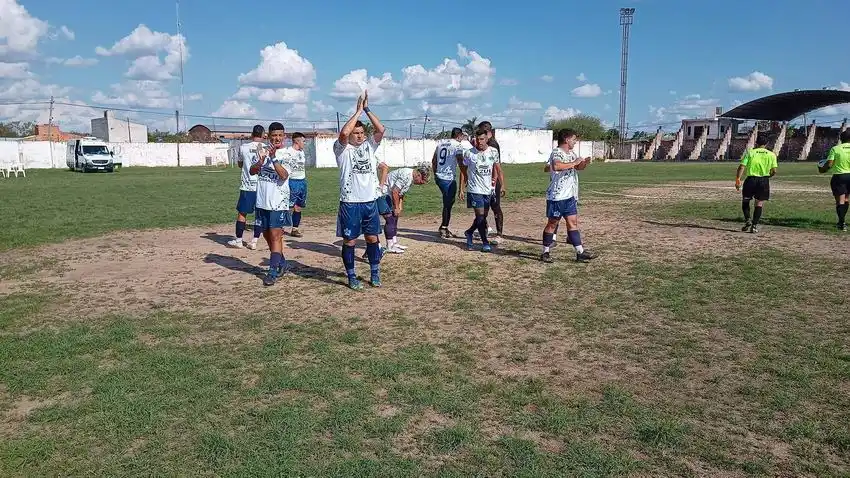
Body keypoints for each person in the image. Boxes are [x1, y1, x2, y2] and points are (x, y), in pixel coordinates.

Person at [334, 91, 389, 290]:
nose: (358, 135)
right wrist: (357, 111)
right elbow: (343, 134)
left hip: (369, 202)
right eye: (355, 133)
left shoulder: (369, 147)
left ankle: (374, 273)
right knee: (349, 241)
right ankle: (351, 276)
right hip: (350, 202)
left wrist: (366, 109)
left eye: (361, 133)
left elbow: (381, 129)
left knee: (372, 238)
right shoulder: (342, 149)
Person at [540, 129, 598, 263]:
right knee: (552, 224)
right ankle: (545, 252)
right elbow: (557, 166)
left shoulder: (571, 153)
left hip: (570, 196)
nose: (575, 142)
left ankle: (580, 252)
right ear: (567, 139)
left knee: (573, 223)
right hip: (557, 196)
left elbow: (578, 168)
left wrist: (583, 163)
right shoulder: (557, 152)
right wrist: (575, 162)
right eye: (573, 139)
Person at [249, 122, 292, 286]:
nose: (277, 138)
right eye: (274, 135)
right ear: (269, 136)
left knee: (275, 236)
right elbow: (252, 171)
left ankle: (272, 272)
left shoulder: (288, 154)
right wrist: (260, 162)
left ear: (284, 136)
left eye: (280, 135)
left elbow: (283, 175)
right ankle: (282, 263)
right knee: (266, 235)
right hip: (262, 202)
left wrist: (273, 158)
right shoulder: (262, 151)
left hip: (278, 203)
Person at [458, 128, 500, 252]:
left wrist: (497, 182)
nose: (479, 142)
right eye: (477, 139)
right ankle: (485, 242)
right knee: (480, 216)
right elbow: (463, 169)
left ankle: (469, 232)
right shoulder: (469, 153)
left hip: (487, 190)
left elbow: (496, 168)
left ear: (487, 139)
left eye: (482, 139)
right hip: (474, 189)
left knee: (483, 216)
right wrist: (461, 188)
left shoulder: (493, 151)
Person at [227, 125, 265, 249]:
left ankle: (239, 240)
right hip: (262, 187)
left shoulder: (243, 147)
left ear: (252, 134)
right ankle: (254, 241)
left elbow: (240, 164)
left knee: (242, 213)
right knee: (259, 214)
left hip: (247, 185)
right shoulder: (266, 148)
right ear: (263, 135)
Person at [377, 164, 431, 253]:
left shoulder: (410, 177)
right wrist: (396, 207)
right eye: (421, 181)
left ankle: (394, 242)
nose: (420, 184)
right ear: (418, 175)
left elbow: (401, 193)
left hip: (390, 195)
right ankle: (389, 245)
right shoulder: (406, 175)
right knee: (390, 219)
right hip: (383, 194)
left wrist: (400, 205)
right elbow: (395, 191)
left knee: (395, 218)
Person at [432, 128, 472, 238]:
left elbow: (434, 160)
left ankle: (444, 226)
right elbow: (460, 161)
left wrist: (435, 173)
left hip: (439, 177)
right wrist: (466, 175)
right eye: (462, 137)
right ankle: (443, 227)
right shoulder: (457, 145)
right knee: (448, 203)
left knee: (448, 202)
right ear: (459, 136)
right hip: (448, 178)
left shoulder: (440, 144)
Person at [736, 135, 777, 233]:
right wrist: (768, 176)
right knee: (759, 203)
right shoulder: (771, 155)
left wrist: (738, 180)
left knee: (746, 200)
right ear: (766, 143)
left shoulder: (750, 153)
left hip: (751, 180)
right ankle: (754, 226)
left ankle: (747, 220)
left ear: (756, 143)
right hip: (763, 180)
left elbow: (742, 167)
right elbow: (774, 171)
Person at [477, 121, 506, 244]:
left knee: (495, 206)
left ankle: (499, 234)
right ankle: (485, 229)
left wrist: (495, 181)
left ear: (487, 131)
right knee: (483, 207)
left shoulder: (492, 144)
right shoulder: (484, 144)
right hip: (484, 180)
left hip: (492, 181)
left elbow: (496, 165)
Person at [818, 129, 850, 231]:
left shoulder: (835, 149)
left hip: (840, 176)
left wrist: (822, 169)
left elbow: (829, 164)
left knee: (840, 200)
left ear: (841, 138)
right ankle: (842, 222)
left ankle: (841, 223)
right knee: (846, 199)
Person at [284, 132, 308, 237]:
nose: (304, 143)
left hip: (302, 182)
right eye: (303, 141)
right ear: (297, 141)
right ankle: (280, 227)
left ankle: (295, 229)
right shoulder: (288, 152)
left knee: (298, 206)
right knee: (288, 206)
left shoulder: (301, 152)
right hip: (292, 181)